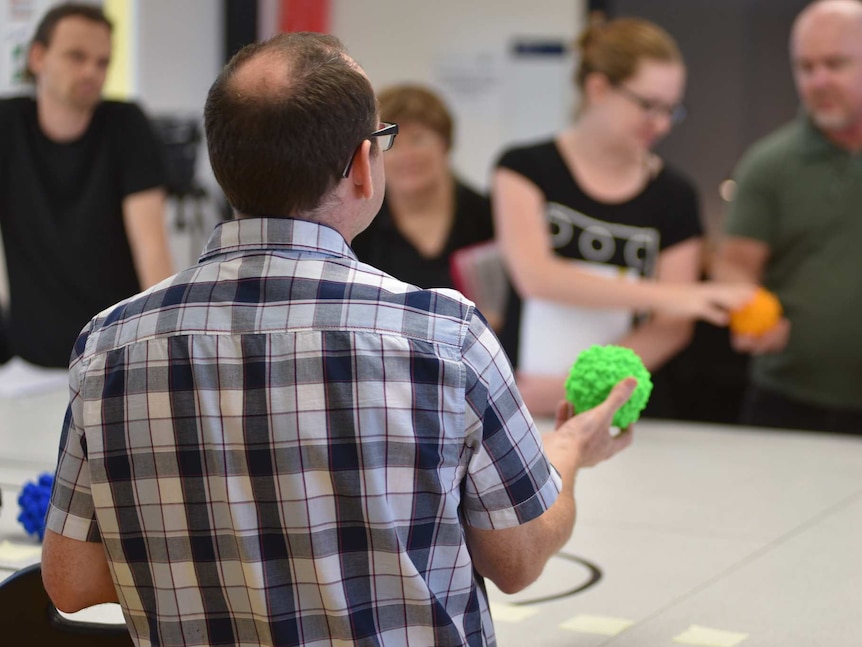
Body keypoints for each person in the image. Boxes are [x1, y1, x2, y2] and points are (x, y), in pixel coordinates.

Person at [41, 32, 636, 647]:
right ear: (360, 164)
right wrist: (567, 448)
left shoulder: (110, 343)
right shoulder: (444, 336)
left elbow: (71, 580)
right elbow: (518, 559)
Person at [492, 17, 754, 416]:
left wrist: (578, 389)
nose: (662, 123)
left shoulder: (674, 194)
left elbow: (671, 327)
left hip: (621, 405)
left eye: (671, 109)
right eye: (648, 106)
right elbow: (536, 277)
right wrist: (679, 296)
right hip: (523, 398)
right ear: (598, 88)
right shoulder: (524, 168)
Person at [714, 0, 862, 434]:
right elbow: (735, 266)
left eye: (836, 63)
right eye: (806, 67)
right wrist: (747, 310)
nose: (819, 81)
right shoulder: (769, 163)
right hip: (789, 404)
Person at [0, 3, 173, 368]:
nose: (91, 71)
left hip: (112, 358)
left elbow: (152, 249)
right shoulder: (8, 125)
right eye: (76, 56)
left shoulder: (126, 125)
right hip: (31, 359)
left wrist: (165, 353)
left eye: (102, 62)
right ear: (37, 57)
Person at [350, 85, 499, 320]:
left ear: (445, 144)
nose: (407, 154)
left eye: (419, 139)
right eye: (393, 143)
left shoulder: (491, 217)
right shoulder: (357, 224)